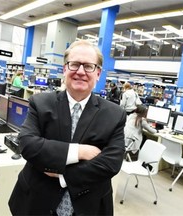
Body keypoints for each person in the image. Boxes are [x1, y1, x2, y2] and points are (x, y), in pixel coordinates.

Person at [8, 40, 127, 215]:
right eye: (75, 64)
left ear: (98, 73)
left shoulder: (115, 114)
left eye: (88, 66)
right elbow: (27, 145)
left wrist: (63, 175)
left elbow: (111, 163)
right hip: (36, 202)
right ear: (65, 69)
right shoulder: (40, 103)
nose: (80, 71)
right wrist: (79, 151)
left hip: (88, 206)